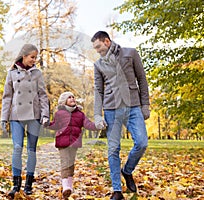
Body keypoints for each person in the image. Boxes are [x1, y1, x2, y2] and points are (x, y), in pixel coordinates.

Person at [91, 31, 150, 200]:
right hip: (111, 109)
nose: (97, 50)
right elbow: (98, 91)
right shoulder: (98, 64)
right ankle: (117, 190)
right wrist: (97, 115)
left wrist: (145, 105)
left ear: (107, 41)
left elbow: (142, 80)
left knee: (141, 143)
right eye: (95, 48)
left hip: (133, 106)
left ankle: (127, 170)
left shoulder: (130, 53)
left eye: (98, 46)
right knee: (113, 149)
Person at [0, 44, 50, 199]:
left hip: (34, 115)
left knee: (31, 149)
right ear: (24, 56)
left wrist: (45, 114)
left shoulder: (37, 73)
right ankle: (16, 184)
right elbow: (7, 97)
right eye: (32, 57)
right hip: (16, 115)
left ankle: (28, 184)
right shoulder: (11, 73)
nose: (34, 60)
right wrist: (4, 118)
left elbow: (43, 95)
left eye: (36, 58)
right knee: (17, 147)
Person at [45, 91, 103, 200]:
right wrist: (47, 124)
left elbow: (88, 124)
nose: (72, 99)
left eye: (73, 97)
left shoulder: (80, 114)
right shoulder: (59, 114)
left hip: (74, 143)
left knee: (70, 164)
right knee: (65, 163)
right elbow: (55, 125)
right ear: (64, 101)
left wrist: (97, 126)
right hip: (62, 142)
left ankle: (69, 187)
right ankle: (65, 185)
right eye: (69, 97)